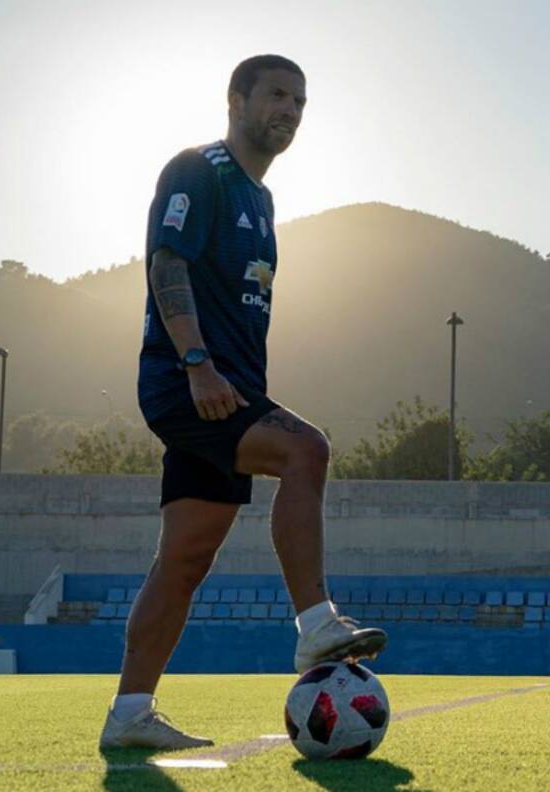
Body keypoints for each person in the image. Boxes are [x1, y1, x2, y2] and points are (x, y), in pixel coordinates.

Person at [100, 54, 387, 750]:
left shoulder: (262, 201)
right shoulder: (199, 170)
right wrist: (196, 362)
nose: (288, 110)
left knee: (186, 558)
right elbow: (166, 262)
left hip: (228, 389)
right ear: (236, 100)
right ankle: (316, 622)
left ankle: (129, 715)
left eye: (300, 101)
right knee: (305, 449)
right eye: (276, 95)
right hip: (186, 382)